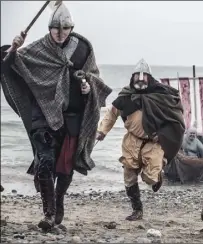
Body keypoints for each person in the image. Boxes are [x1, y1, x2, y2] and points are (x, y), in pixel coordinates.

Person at [0, 2, 112, 231]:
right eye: (55, 29)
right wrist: (14, 48)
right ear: (49, 28)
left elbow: (94, 76)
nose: (60, 33)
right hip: (43, 112)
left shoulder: (83, 48)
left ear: (71, 27)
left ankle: (59, 200)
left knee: (65, 167)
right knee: (46, 161)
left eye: (65, 29)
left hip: (72, 115)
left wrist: (88, 88)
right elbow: (9, 66)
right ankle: (49, 214)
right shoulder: (39, 48)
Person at [96, 58, 185, 221]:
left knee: (149, 178)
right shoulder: (126, 96)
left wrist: (164, 135)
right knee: (129, 177)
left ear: (149, 78)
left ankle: (158, 174)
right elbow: (112, 114)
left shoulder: (162, 95)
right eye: (137, 77)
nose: (140, 80)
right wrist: (102, 131)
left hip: (154, 143)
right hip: (132, 140)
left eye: (144, 77)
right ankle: (137, 210)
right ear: (133, 78)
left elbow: (174, 118)